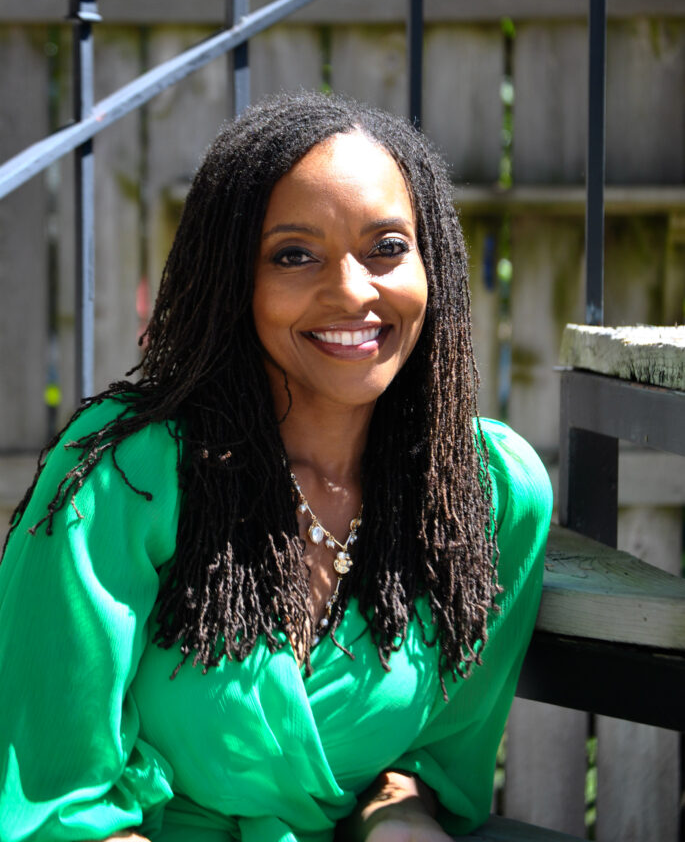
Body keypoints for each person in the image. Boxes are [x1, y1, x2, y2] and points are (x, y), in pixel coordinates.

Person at [0, 92, 552, 842]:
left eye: (388, 246)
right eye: (294, 255)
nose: (352, 290)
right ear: (234, 279)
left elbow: (432, 759)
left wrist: (399, 820)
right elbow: (51, 804)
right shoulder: (124, 475)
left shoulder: (485, 494)